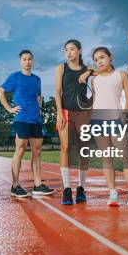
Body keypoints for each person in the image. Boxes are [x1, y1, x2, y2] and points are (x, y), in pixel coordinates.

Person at [80, 47, 128, 209]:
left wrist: (125, 113)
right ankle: (113, 194)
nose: (99, 61)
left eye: (102, 57)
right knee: (107, 159)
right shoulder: (94, 80)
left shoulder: (122, 75)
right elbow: (96, 99)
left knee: (127, 158)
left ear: (111, 57)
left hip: (117, 120)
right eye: (96, 59)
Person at [0, 50, 54, 198]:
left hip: (36, 119)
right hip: (21, 118)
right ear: (20, 62)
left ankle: (37, 185)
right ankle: (15, 186)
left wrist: (40, 108)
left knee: (37, 152)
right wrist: (9, 109)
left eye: (30, 59)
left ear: (33, 61)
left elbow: (39, 95)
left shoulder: (37, 79)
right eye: (24, 59)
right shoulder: (15, 77)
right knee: (20, 149)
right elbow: (0, 92)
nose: (27, 61)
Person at [54, 39, 91, 205]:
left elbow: (102, 70)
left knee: (83, 149)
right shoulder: (61, 68)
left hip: (83, 113)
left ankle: (81, 187)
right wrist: (58, 113)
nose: (69, 52)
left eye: (72, 49)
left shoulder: (87, 69)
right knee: (66, 147)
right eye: (66, 49)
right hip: (66, 111)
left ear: (80, 51)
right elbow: (57, 91)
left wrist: (88, 72)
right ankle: (67, 189)